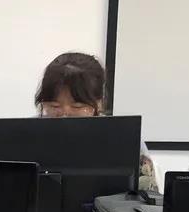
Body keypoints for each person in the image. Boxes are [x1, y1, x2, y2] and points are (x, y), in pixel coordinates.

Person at [35, 52, 159, 191]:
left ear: (99, 104)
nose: (64, 115)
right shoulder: (28, 133)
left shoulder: (124, 138)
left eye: (77, 106)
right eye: (54, 106)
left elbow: (150, 198)